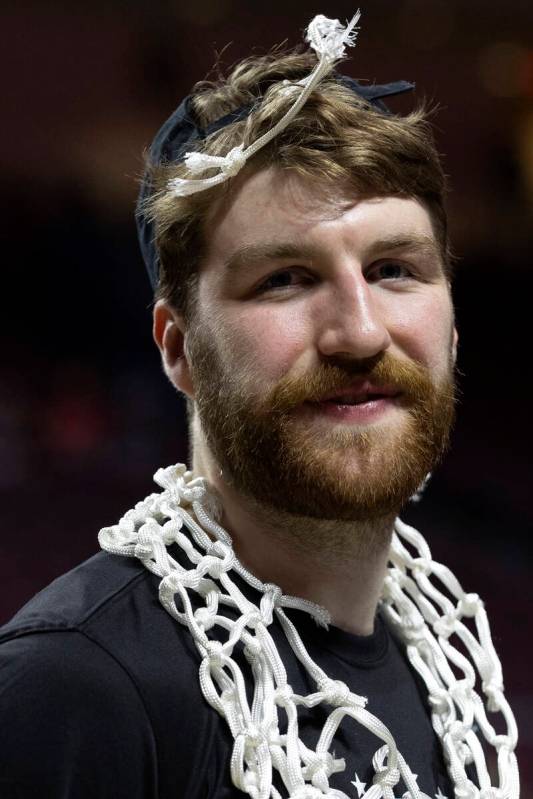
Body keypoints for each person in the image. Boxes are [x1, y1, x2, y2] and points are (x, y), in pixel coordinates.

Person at [0, 12, 520, 799]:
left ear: (450, 324)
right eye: (283, 278)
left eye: (393, 268)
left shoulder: (450, 657)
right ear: (178, 349)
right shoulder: (73, 686)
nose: (358, 330)